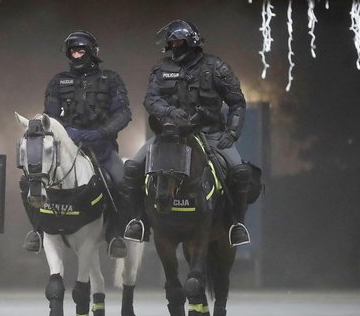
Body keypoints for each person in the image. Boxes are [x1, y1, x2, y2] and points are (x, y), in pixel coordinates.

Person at [123, 19, 251, 246]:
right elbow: (151, 100)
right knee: (133, 167)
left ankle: (236, 225)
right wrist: (170, 112)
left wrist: (231, 133)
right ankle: (138, 221)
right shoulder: (161, 68)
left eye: (178, 41)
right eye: (171, 42)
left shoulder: (216, 67)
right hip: (170, 136)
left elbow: (237, 102)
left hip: (210, 134)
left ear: (191, 41)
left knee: (239, 171)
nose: (174, 45)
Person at [21, 30, 133, 258]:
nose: (76, 54)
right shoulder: (58, 81)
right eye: (72, 51)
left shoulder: (111, 79)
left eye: (81, 50)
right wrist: (66, 133)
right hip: (67, 147)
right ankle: (38, 231)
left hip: (102, 146)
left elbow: (123, 113)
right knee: (28, 181)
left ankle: (116, 234)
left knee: (121, 180)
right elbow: (49, 117)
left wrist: (101, 132)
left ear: (92, 53)